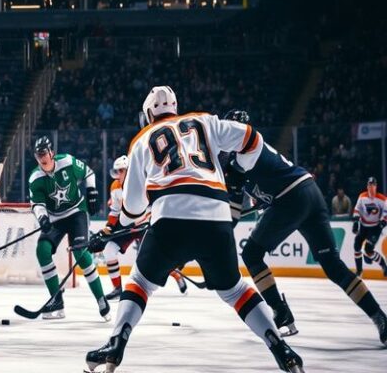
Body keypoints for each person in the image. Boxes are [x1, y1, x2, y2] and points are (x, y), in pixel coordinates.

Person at [86, 87, 303, 373]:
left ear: (149, 113)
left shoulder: (141, 139)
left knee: (140, 282)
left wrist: (111, 231)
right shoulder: (204, 120)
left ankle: (116, 343)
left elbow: (133, 209)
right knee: (235, 290)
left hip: (170, 219)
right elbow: (252, 138)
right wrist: (238, 172)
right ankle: (281, 348)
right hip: (216, 216)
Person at [222, 110, 386, 345]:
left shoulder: (237, 161)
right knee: (334, 266)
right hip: (310, 192)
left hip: (292, 199)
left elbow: (234, 213)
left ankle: (280, 311)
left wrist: (219, 233)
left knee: (251, 254)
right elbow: (263, 190)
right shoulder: (256, 148)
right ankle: (379, 317)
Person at [28, 136, 109, 321]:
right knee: (42, 250)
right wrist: (42, 218)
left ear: (52, 153)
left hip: (76, 213)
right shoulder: (35, 177)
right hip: (55, 218)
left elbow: (89, 173)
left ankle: (101, 298)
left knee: (80, 253)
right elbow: (37, 203)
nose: (42, 158)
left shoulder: (67, 161)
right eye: (38, 155)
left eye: (44, 153)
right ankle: (57, 300)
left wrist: (92, 192)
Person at [88, 156, 187, 300]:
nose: (118, 174)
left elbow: (153, 207)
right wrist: (109, 227)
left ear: (129, 171)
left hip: (144, 225)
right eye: (117, 171)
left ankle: (177, 276)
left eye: (121, 170)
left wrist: (143, 221)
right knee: (109, 250)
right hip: (127, 225)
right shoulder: (115, 187)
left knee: (154, 258)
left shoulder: (142, 184)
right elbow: (115, 211)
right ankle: (117, 289)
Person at [353, 177, 387, 277]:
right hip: (363, 226)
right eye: (369, 185)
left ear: (376, 186)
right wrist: (356, 222)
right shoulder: (362, 197)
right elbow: (357, 210)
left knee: (368, 250)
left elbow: (386, 214)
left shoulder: (383, 199)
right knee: (356, 246)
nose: (371, 187)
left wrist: (382, 223)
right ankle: (359, 271)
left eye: (373, 185)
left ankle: (384, 265)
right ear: (367, 186)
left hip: (375, 228)